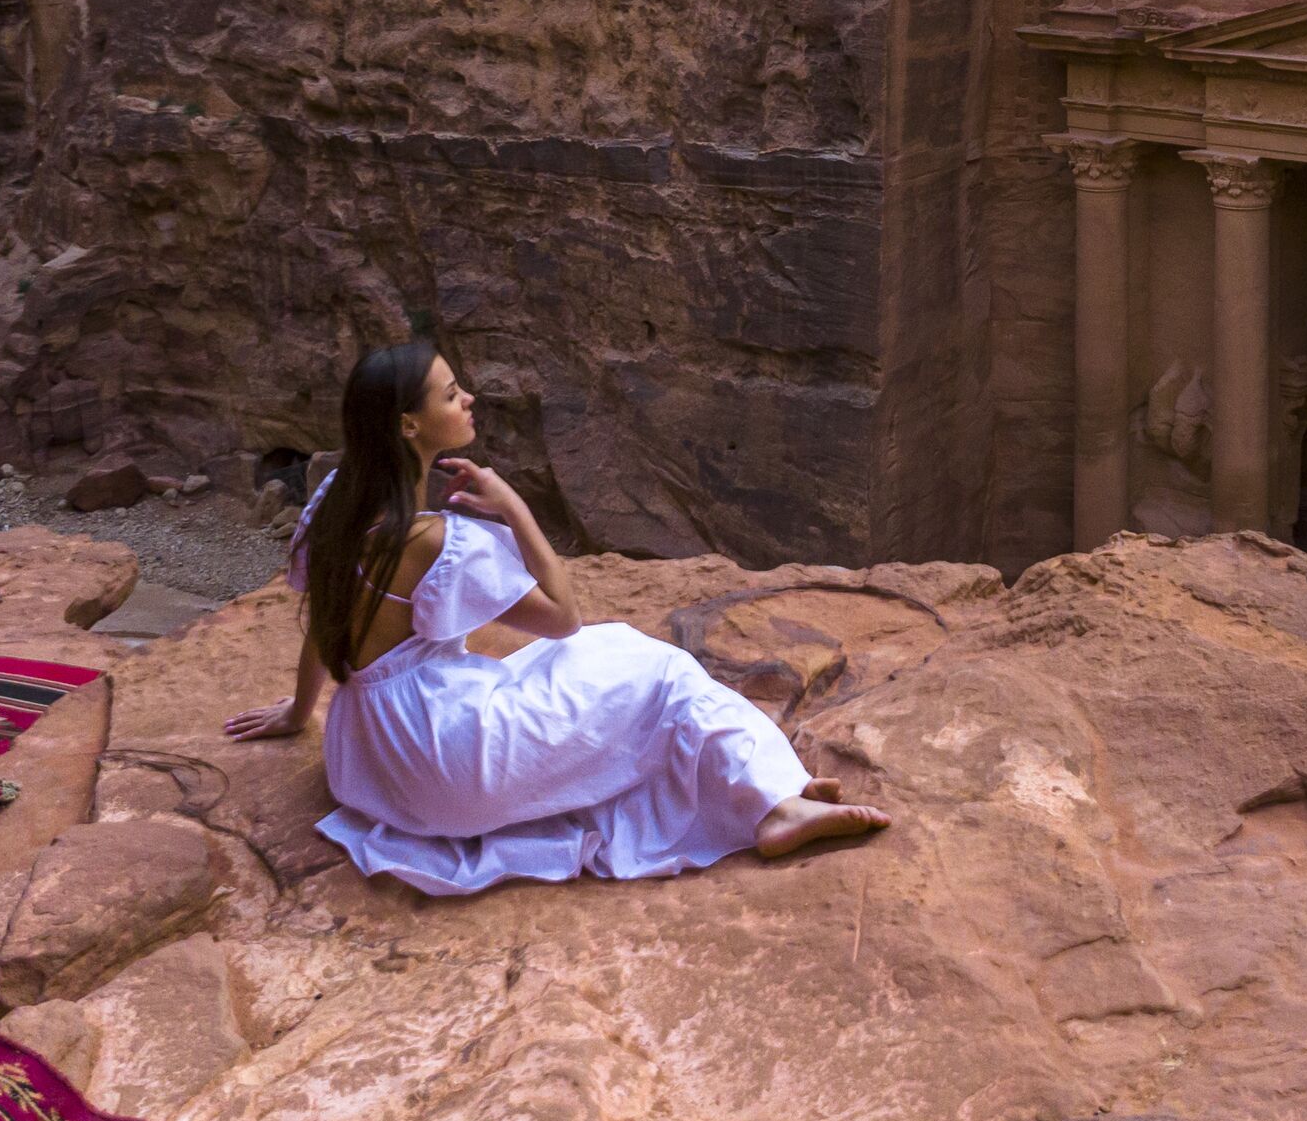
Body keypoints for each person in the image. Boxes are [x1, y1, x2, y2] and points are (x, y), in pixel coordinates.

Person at [226, 340, 889, 893]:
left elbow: (324, 625)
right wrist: (513, 505)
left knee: (607, 664)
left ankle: (770, 786)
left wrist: (299, 712)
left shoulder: (336, 506)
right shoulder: (431, 540)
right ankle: (774, 804)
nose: (469, 399)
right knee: (654, 665)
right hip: (447, 762)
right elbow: (562, 617)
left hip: (368, 755)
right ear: (408, 425)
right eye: (451, 393)